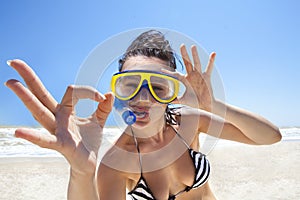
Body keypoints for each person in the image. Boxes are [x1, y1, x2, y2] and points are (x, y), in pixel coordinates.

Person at [5, 30, 282, 200]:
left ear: (172, 92)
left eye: (158, 87)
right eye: (131, 85)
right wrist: (81, 172)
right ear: (118, 90)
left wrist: (213, 106)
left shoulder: (190, 120)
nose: (143, 98)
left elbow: (270, 137)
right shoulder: (116, 161)